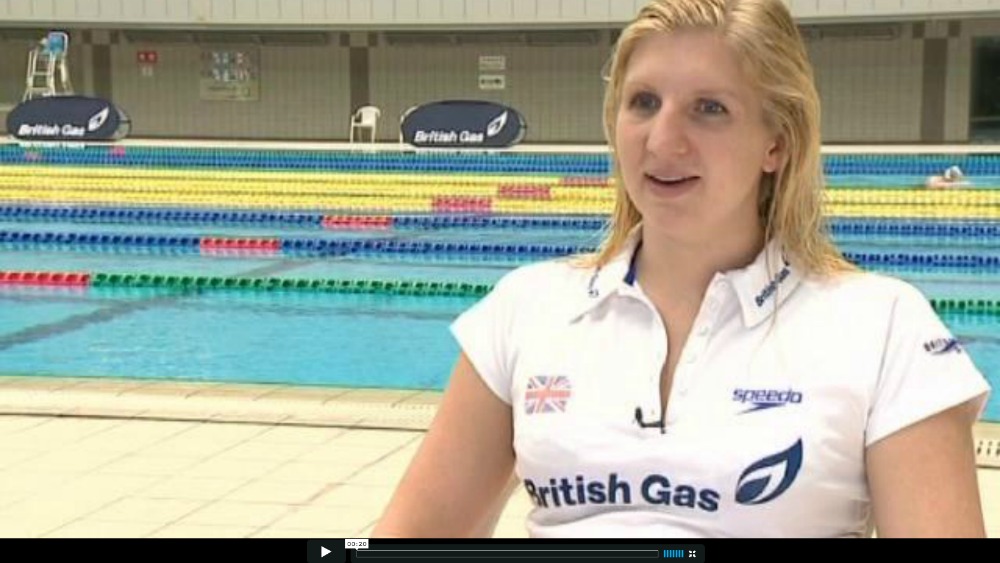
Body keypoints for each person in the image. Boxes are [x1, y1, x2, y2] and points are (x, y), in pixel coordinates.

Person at [373, 0, 991, 538]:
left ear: (777, 142)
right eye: (643, 102)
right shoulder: (527, 308)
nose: (662, 140)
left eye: (709, 108)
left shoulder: (881, 326)